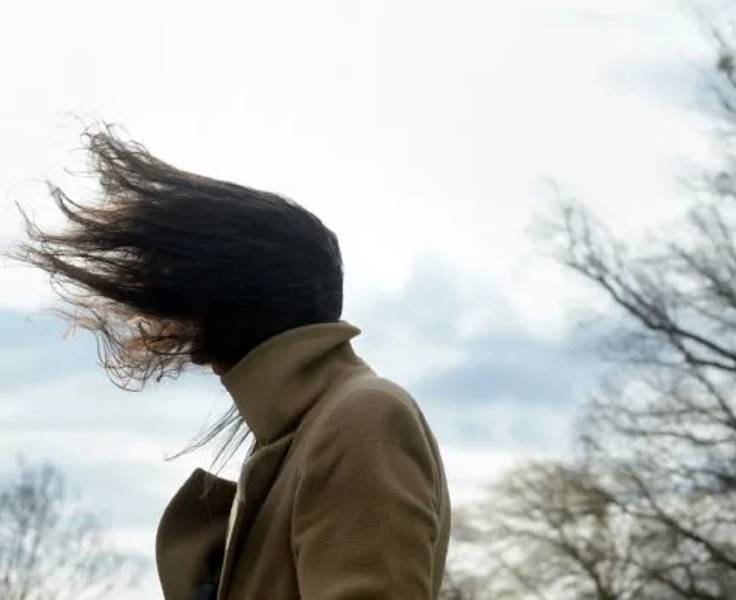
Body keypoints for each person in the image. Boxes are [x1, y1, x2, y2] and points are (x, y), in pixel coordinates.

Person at [15, 126, 451, 599]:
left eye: (175, 290)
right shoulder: (298, 434)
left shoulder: (361, 418)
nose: (164, 320)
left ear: (222, 298)